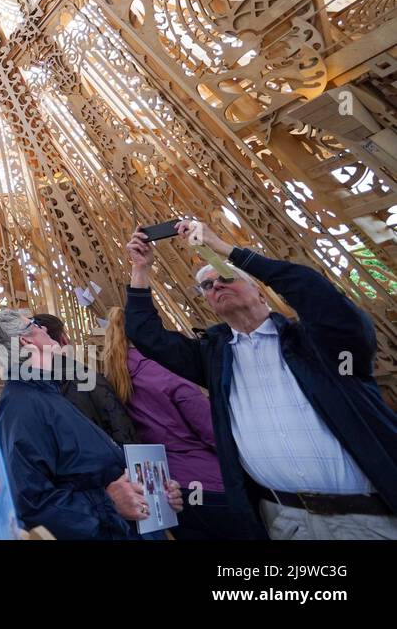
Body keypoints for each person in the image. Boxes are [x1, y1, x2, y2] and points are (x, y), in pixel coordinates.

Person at [125, 220, 397, 539]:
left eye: (224, 277)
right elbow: (145, 333)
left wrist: (223, 249)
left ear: (261, 293)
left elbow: (314, 291)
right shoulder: (215, 359)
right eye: (207, 287)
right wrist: (141, 269)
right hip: (283, 520)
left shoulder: (318, 344)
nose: (216, 286)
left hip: (368, 518)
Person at [0, 311, 182, 539]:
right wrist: (108, 503)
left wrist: (153, 490)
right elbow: (31, 503)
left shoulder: (46, 392)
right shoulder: (21, 408)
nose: (45, 329)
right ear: (26, 340)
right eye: (36, 325)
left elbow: (85, 465)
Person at [101, 305, 247, 540]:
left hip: (166, 488)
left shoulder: (113, 378)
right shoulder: (163, 370)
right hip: (210, 482)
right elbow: (212, 430)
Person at [32, 313, 139, 446]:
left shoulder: (26, 389)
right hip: (104, 461)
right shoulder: (91, 380)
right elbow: (122, 429)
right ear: (64, 339)